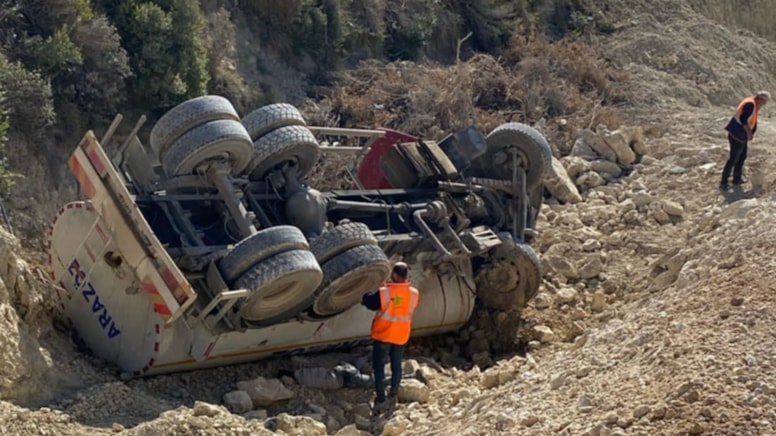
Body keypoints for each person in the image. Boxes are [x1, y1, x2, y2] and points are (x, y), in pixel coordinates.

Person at [361, 261, 419, 410]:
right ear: (406, 275)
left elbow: (369, 303)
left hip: (384, 335)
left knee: (379, 367)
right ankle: (393, 393)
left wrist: (366, 293)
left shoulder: (385, 292)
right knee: (396, 366)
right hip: (401, 335)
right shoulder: (414, 293)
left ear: (393, 274)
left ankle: (381, 397)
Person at [721, 90, 770, 190]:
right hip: (737, 135)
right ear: (760, 99)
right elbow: (743, 119)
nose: (763, 105)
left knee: (742, 156)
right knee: (733, 159)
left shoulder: (751, 102)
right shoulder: (750, 104)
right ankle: (724, 182)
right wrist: (749, 133)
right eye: (764, 103)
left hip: (740, 135)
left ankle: (737, 179)